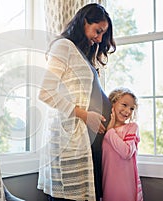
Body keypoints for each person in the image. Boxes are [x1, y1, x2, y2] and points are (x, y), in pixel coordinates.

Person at [37, 3, 116, 201]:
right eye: (97, 31)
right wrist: (86, 115)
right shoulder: (63, 46)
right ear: (84, 22)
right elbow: (46, 92)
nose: (98, 39)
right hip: (70, 144)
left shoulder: (83, 56)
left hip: (87, 145)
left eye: (102, 35)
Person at [102, 87, 143, 201]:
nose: (128, 111)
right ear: (113, 103)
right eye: (124, 105)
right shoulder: (102, 128)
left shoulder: (132, 128)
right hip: (107, 183)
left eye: (131, 108)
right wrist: (109, 129)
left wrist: (110, 131)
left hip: (126, 185)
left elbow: (127, 152)